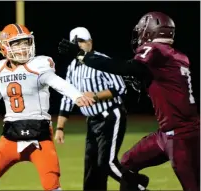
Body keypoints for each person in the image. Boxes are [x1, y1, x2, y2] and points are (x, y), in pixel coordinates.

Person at [0, 23, 95, 191]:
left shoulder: (39, 66)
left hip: (40, 136)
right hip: (10, 138)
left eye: (26, 42)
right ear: (4, 47)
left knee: (52, 185)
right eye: (17, 43)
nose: (23, 47)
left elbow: (59, 83)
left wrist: (77, 95)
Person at [58, 12, 200, 191]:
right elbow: (163, 83)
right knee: (127, 163)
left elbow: (124, 68)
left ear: (150, 31)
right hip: (166, 133)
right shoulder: (177, 57)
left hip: (182, 136)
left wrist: (82, 56)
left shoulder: (156, 50)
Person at [56, 27, 149, 191]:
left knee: (107, 163)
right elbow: (67, 96)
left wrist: (96, 96)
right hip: (92, 121)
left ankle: (139, 184)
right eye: (75, 43)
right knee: (91, 166)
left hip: (110, 116)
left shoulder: (101, 61)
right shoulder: (72, 67)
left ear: (90, 42)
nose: (79, 45)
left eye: (82, 42)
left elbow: (120, 88)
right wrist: (60, 127)